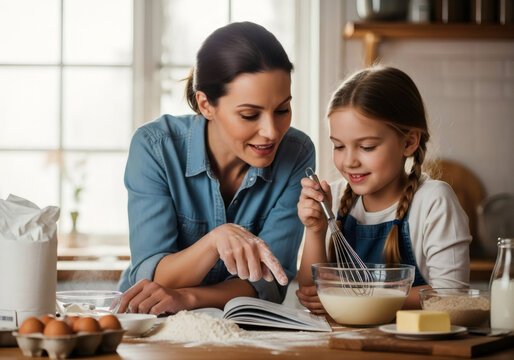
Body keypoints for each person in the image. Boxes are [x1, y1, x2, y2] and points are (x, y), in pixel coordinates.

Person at [117, 21, 315, 315]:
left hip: (243, 329)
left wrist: (189, 299)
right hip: (150, 320)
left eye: (282, 110)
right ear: (206, 104)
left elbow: (270, 283)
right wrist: (215, 241)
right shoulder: (155, 147)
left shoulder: (297, 153)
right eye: (250, 115)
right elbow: (152, 278)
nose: (272, 132)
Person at [296, 66, 471, 313]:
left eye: (366, 147)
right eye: (338, 146)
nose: (349, 162)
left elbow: (450, 296)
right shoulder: (332, 198)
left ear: (409, 142)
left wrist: (360, 297)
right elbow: (312, 292)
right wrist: (315, 229)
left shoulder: (433, 202)